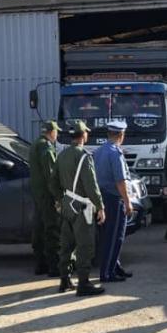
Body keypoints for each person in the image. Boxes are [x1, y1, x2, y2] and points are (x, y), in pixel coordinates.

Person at [50, 120, 106, 296]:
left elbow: (53, 183)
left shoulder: (62, 155)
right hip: (82, 207)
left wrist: (60, 199)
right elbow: (91, 185)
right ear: (83, 135)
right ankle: (83, 283)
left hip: (67, 204)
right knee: (84, 246)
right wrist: (100, 206)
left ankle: (64, 280)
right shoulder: (84, 156)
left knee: (66, 244)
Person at [94, 121, 134, 282]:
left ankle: (115, 267)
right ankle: (107, 273)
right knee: (115, 236)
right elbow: (120, 181)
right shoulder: (115, 153)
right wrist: (128, 202)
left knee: (106, 236)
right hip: (114, 198)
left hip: (102, 197)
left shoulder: (99, 151)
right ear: (121, 135)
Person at [29, 120, 62, 277]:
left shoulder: (36, 143)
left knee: (39, 228)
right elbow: (50, 174)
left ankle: (40, 264)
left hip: (38, 193)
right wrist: (58, 196)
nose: (57, 135)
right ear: (51, 132)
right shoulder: (45, 147)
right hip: (47, 195)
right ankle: (54, 266)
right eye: (56, 132)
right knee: (52, 229)